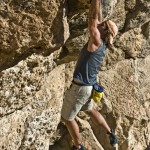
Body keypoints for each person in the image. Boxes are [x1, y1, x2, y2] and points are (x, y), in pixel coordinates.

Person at [61, 0, 118, 149]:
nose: (101, 22)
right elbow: (97, 19)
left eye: (103, 24)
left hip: (80, 89)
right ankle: (110, 132)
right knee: (90, 110)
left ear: (104, 30)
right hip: (89, 87)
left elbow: (92, 20)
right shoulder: (102, 46)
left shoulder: (96, 41)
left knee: (67, 118)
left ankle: (78, 146)